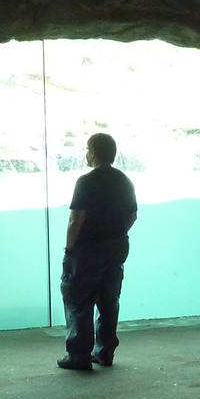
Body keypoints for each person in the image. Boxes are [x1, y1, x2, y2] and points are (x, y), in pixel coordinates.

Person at [58, 132, 137, 370]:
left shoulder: (86, 181)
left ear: (93, 152)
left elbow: (76, 219)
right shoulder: (124, 180)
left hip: (87, 249)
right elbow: (132, 215)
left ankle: (79, 355)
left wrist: (70, 249)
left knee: (78, 300)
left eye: (87, 148)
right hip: (116, 247)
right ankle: (104, 352)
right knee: (109, 300)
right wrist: (117, 233)